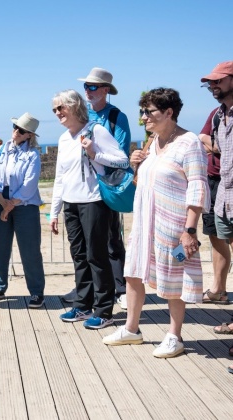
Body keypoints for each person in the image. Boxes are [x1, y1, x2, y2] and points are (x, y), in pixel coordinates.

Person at [103, 88, 209, 358]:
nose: (143, 118)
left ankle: (175, 335)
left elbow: (197, 187)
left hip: (173, 224)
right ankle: (132, 329)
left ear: (169, 112)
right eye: (142, 112)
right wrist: (137, 164)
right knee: (133, 272)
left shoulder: (188, 142)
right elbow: (144, 182)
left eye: (148, 112)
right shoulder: (151, 142)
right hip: (144, 222)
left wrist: (189, 230)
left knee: (174, 279)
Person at [49, 90, 128, 330]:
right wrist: (55, 211)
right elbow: (60, 177)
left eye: (60, 108)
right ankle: (83, 305)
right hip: (71, 204)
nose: (57, 113)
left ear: (74, 106)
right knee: (79, 256)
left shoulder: (96, 130)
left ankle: (104, 311)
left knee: (97, 255)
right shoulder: (64, 139)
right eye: (54, 110)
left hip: (94, 201)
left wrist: (95, 152)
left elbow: (122, 160)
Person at [62, 68, 132, 310]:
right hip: (85, 189)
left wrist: (95, 153)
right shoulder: (84, 115)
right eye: (86, 86)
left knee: (111, 239)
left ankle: (120, 287)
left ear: (105, 91)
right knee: (89, 246)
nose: (88, 91)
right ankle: (89, 289)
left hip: (107, 186)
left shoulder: (115, 117)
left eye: (93, 87)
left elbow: (121, 154)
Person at [0, 113, 46, 308]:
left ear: (29, 135)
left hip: (25, 206)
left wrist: (10, 205)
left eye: (21, 130)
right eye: (15, 127)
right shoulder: (1, 150)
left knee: (30, 251)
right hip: (1, 201)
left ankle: (36, 292)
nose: (15, 132)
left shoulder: (33, 155)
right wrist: (3, 203)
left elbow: (29, 184)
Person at [199, 107, 230, 304]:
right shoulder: (217, 112)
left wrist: (215, 146)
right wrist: (216, 145)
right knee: (215, 233)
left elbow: (219, 146)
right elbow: (202, 136)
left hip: (229, 182)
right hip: (212, 180)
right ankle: (219, 290)